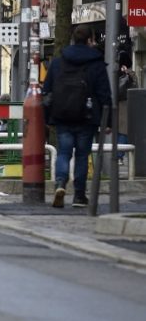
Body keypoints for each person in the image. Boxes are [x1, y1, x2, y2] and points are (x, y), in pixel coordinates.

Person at [42, 25, 112, 208]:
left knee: (64, 152)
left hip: (62, 115)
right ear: (90, 40)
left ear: (73, 38)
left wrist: (47, 118)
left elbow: (47, 91)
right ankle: (79, 195)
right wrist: (108, 120)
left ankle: (60, 183)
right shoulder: (96, 63)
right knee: (82, 155)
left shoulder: (58, 62)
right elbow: (105, 93)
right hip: (87, 116)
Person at [117, 51, 137, 163]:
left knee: (118, 132)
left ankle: (117, 155)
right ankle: (119, 155)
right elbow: (136, 88)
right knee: (123, 132)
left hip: (115, 104)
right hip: (125, 104)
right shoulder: (130, 73)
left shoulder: (114, 72)